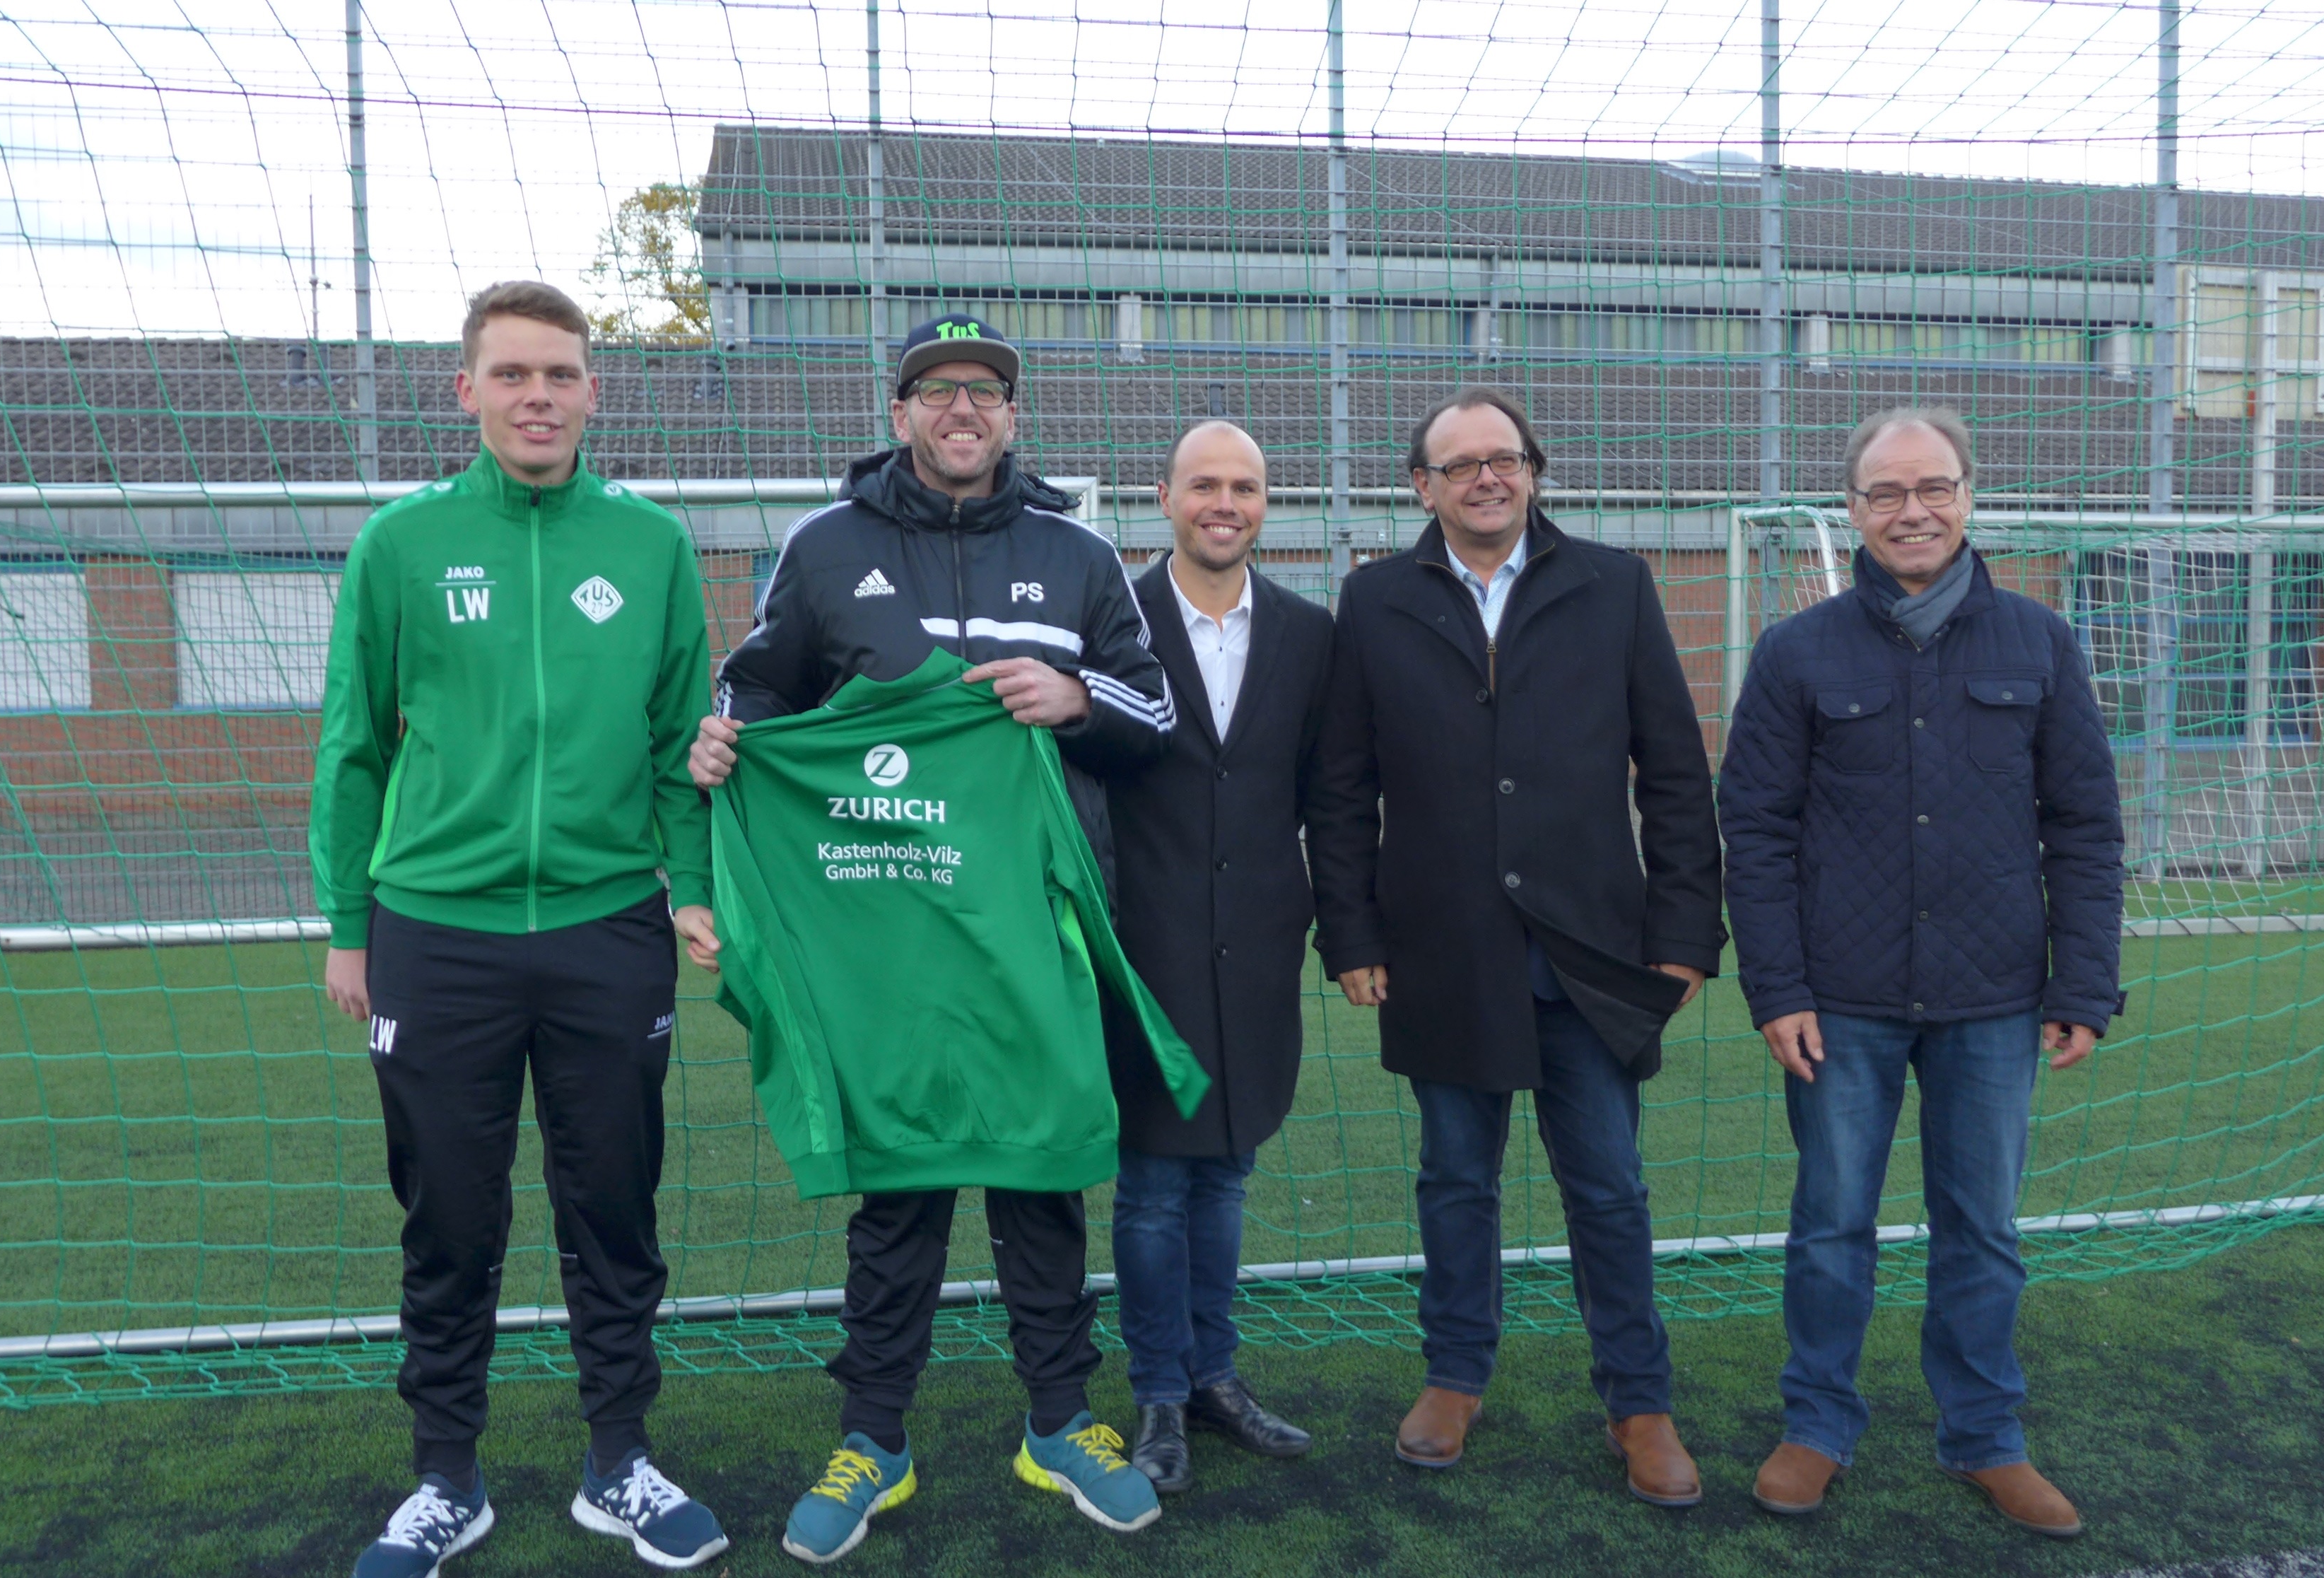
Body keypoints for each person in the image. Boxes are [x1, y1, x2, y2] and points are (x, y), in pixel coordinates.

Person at [686, 313, 1178, 1563]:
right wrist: (727, 737)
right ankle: (874, 1440)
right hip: (884, 935)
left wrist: (1073, 698)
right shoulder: (826, 545)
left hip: (1031, 928)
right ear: (899, 412)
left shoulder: (1078, 553)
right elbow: (758, 688)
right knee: (898, 1188)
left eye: (987, 391)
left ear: (1013, 416)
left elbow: (1154, 710)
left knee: (1040, 1177)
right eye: (939, 389)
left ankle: (1059, 1424)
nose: (964, 409)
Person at [312, 279, 729, 1575]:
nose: (537, 396)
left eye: (559, 374)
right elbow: (353, 747)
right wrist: (348, 923)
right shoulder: (401, 544)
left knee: (613, 1208)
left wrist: (693, 882)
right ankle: (447, 1479)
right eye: (512, 375)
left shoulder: (651, 546)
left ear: (593, 392)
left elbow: (680, 743)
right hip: (436, 936)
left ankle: (621, 1464)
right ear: (468, 392)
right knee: (449, 1217)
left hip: (610, 929)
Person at [1306, 385, 1726, 1505]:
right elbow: (1341, 788)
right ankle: (1454, 1376)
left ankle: (1638, 1402)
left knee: (1611, 1190)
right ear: (1423, 487)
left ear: (1534, 472)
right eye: (1462, 464)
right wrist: (1349, 930)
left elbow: (1674, 772)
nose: (1488, 477)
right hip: (1441, 952)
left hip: (1592, 954)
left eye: (1507, 458)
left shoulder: (1615, 585)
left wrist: (1685, 932)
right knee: (1455, 1180)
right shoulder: (1375, 600)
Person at [1717, 406, 2124, 1538]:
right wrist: (1778, 989)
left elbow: (2085, 826)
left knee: (1982, 1227)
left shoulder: (2040, 642)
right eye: (1887, 493)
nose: (1913, 511)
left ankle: (1987, 1436)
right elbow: (1755, 830)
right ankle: (1817, 1427)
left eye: (1933, 487)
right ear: (1853, 510)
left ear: (1967, 496)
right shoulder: (1797, 652)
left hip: (1995, 999)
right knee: (1831, 1223)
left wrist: (2083, 984)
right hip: (1839, 1003)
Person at [1101, 420, 1331, 1494]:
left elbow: (1328, 796)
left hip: (1258, 950)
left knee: (1229, 1168)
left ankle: (1213, 1376)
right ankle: (1158, 1391)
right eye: (1204, 485)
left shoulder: (1309, 634)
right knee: (1154, 1182)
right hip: (1143, 948)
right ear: (1164, 497)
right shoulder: (1111, 620)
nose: (1224, 504)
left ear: (1266, 503)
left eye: (1245, 486)